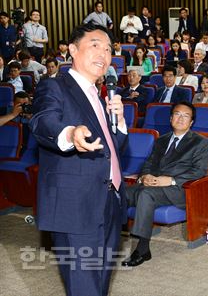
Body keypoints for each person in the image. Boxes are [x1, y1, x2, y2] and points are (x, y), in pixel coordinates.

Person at [29, 23, 127, 296]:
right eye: (95, 45)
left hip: (109, 200)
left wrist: (118, 122)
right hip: (76, 205)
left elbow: (109, 150)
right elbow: (42, 121)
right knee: (84, 286)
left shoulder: (101, 95)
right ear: (73, 49)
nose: (104, 54)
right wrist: (70, 133)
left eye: (108, 49)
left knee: (100, 282)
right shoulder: (55, 86)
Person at [122, 101, 208, 267]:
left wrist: (170, 180)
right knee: (119, 192)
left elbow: (199, 172)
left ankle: (142, 249)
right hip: (153, 185)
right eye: (177, 114)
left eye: (186, 116)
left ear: (191, 122)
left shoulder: (200, 142)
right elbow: (148, 163)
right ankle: (108, 238)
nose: (181, 118)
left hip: (179, 189)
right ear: (171, 118)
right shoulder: (161, 140)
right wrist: (144, 176)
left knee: (145, 195)